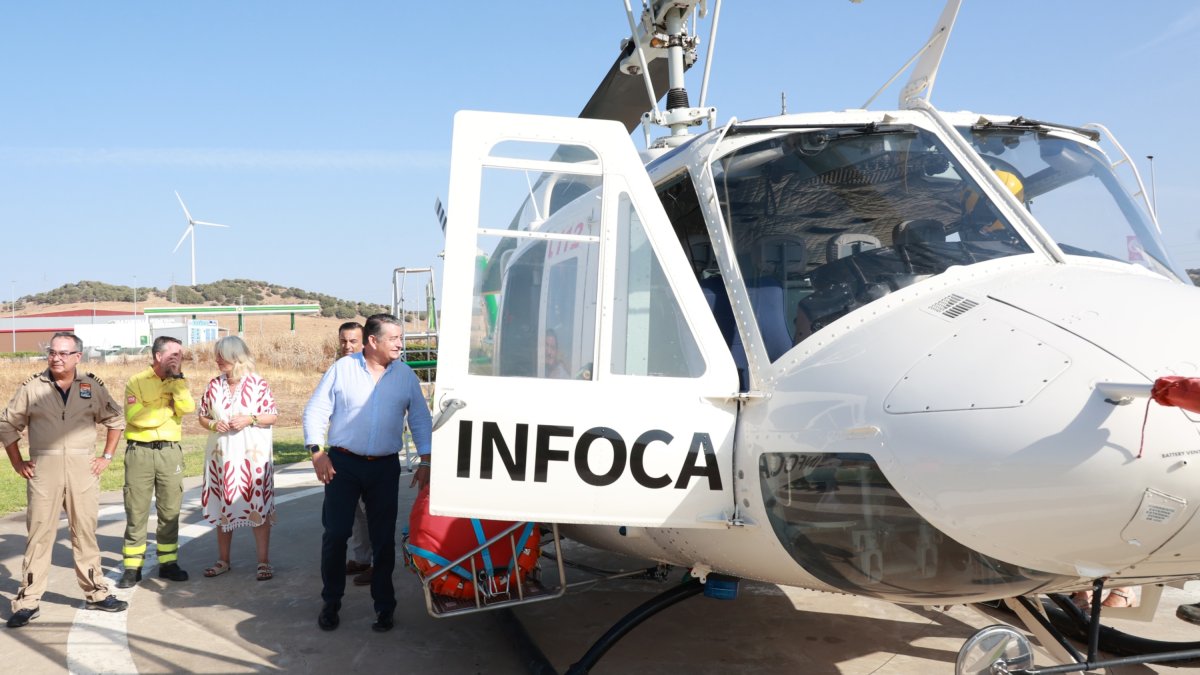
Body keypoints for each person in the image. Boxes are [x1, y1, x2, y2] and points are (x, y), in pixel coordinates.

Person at [303, 313, 432, 633]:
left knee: (382, 540)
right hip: (343, 465)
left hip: (384, 468)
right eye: (394, 338)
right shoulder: (342, 370)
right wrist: (316, 452)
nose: (401, 344)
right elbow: (316, 410)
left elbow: (420, 418)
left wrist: (426, 460)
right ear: (373, 341)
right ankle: (331, 602)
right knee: (335, 534)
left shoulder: (404, 376)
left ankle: (384, 607)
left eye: (401, 338)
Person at [1, 333, 129, 628]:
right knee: (39, 535)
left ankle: (96, 593)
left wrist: (105, 457)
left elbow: (115, 420)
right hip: (44, 471)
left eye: (63, 353)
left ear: (77, 357)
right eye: (52, 352)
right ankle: (28, 602)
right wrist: (17, 461)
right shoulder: (32, 388)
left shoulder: (92, 387)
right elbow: (7, 424)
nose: (56, 357)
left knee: (84, 531)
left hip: (83, 469)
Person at [196, 336, 279, 581]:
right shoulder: (213, 385)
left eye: (223, 355)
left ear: (237, 356)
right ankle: (223, 560)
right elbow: (202, 416)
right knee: (224, 505)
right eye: (217, 355)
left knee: (258, 506)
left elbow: (272, 416)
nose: (218, 360)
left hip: (252, 457)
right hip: (221, 456)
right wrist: (212, 423)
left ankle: (263, 562)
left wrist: (250, 419)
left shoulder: (258, 384)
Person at [118, 335, 195, 588]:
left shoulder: (179, 382)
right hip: (140, 452)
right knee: (136, 509)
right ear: (158, 356)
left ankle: (168, 563)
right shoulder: (136, 381)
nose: (178, 360)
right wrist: (168, 409)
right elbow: (137, 417)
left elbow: (188, 407)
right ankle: (132, 567)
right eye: (173, 355)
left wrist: (176, 387)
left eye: (180, 355)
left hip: (169, 452)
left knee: (170, 509)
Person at [337, 321, 374, 587]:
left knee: (372, 514)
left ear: (365, 343)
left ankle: (377, 565)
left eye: (353, 341)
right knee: (356, 514)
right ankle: (362, 559)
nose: (347, 346)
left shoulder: (372, 370)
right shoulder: (338, 370)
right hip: (345, 456)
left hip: (372, 458)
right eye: (343, 341)